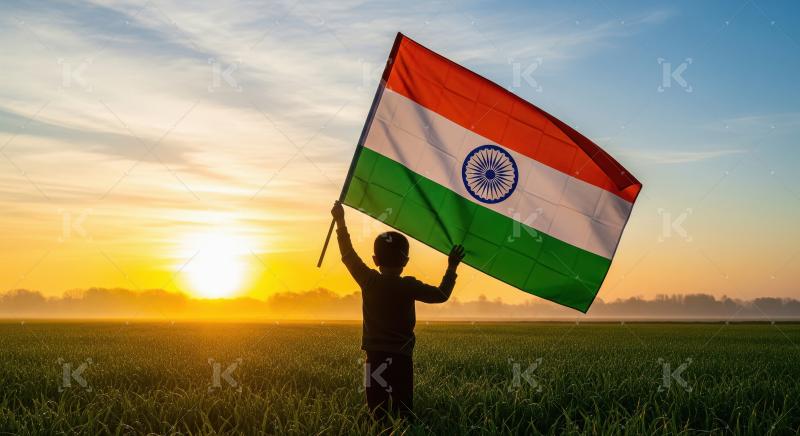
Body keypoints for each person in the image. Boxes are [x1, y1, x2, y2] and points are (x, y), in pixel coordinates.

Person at [330, 200, 465, 419]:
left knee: (377, 414)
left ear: (375, 260)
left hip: (374, 359)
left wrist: (340, 221)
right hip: (402, 358)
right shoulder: (409, 286)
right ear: (406, 261)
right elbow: (441, 295)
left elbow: (348, 255)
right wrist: (451, 266)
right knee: (404, 412)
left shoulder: (369, 280)